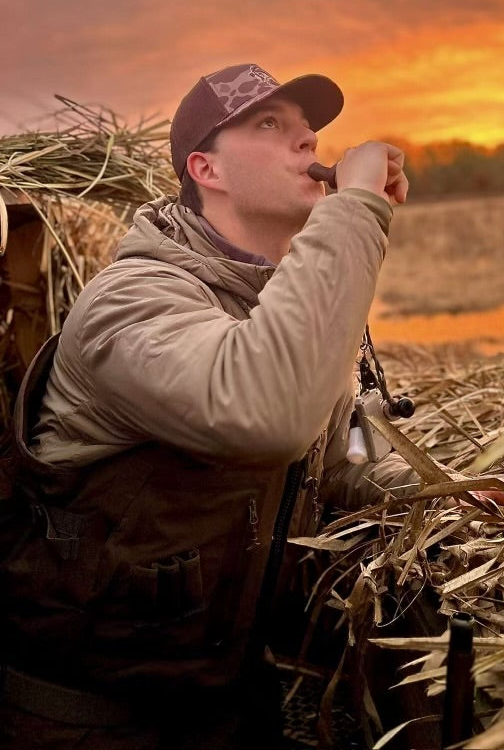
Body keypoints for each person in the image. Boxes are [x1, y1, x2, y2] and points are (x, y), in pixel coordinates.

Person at [0, 63, 420, 749]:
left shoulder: (274, 303)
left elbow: (338, 450)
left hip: (223, 709)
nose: (309, 141)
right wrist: (355, 209)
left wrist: (449, 491)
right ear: (206, 168)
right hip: (90, 727)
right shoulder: (130, 303)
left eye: (309, 127)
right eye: (269, 125)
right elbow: (269, 413)